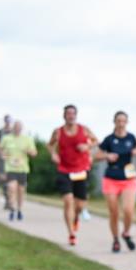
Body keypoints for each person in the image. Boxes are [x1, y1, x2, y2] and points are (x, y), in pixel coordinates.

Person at [48, 105, 97, 246]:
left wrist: (87, 146)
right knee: (68, 200)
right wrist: (53, 154)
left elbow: (95, 141)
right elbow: (50, 145)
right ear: (64, 116)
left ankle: (75, 217)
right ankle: (71, 234)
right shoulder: (58, 132)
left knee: (80, 205)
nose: (71, 116)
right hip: (64, 169)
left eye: (73, 113)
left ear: (76, 115)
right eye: (68, 113)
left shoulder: (84, 129)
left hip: (81, 169)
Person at [95, 111, 136, 252]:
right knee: (114, 212)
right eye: (118, 121)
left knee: (128, 210)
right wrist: (107, 156)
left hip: (128, 178)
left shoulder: (131, 137)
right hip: (111, 178)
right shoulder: (109, 139)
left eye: (123, 121)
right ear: (114, 122)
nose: (121, 123)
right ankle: (115, 239)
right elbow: (97, 155)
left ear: (127, 122)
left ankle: (126, 233)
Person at [0, 120, 37, 220]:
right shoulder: (6, 138)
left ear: (22, 129)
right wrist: (3, 155)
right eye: (16, 127)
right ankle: (12, 209)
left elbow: (34, 153)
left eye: (19, 127)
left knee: (21, 191)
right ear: (13, 128)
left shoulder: (27, 139)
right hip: (10, 168)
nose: (17, 129)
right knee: (11, 188)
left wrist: (28, 151)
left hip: (23, 169)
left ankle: (19, 210)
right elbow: (1, 150)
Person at [0, 115, 15, 210]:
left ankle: (10, 202)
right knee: (4, 179)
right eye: (7, 121)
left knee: (12, 179)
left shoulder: (15, 132)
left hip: (13, 159)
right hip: (1, 159)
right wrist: (0, 151)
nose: (8, 123)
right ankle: (7, 200)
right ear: (4, 121)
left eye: (10, 121)